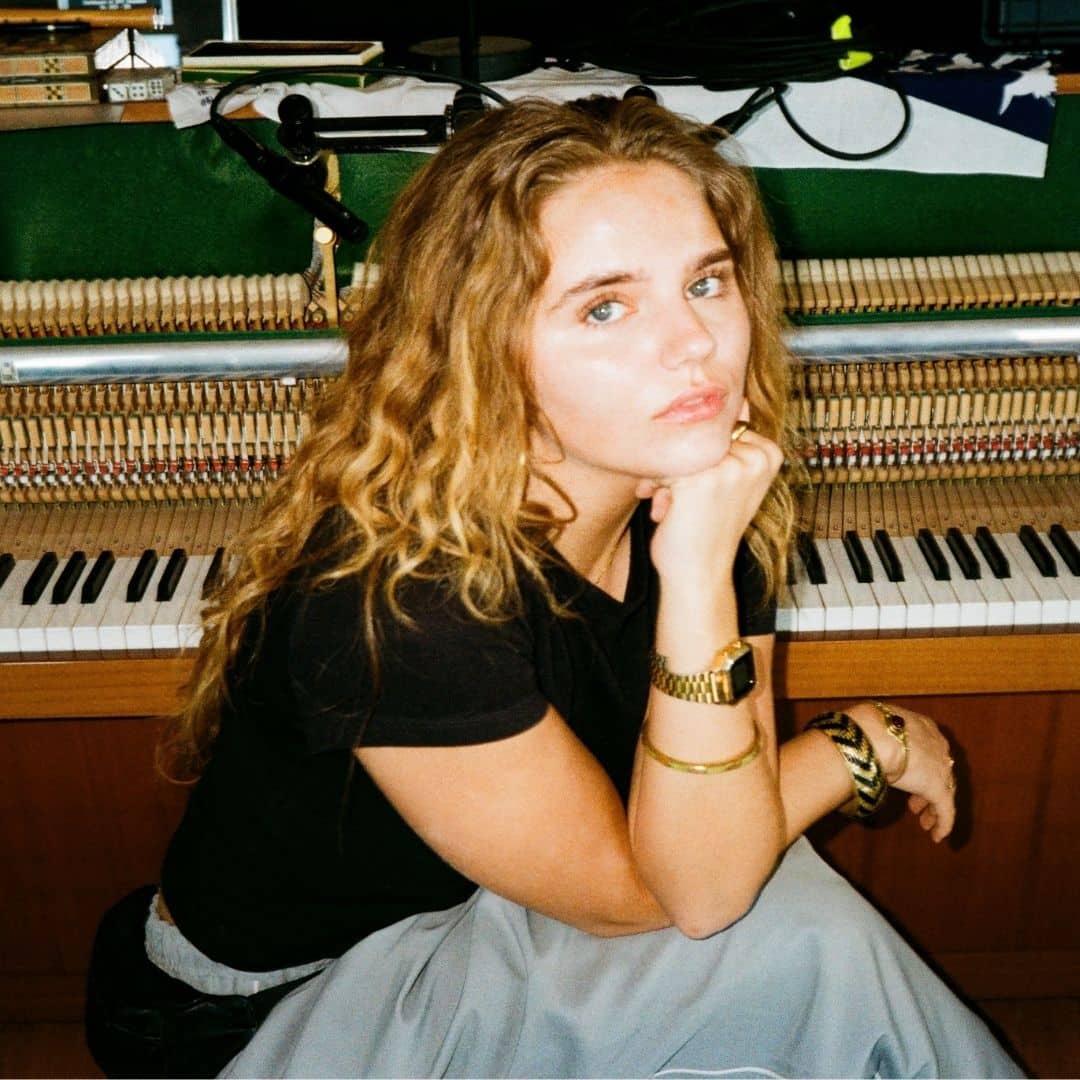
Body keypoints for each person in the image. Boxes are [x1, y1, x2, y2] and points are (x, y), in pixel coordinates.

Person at [85, 94, 1021, 1078]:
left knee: (793, 921)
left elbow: (711, 844)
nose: (694, 342)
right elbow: (677, 895)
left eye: (707, 282)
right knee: (794, 932)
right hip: (284, 1003)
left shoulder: (703, 493)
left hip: (495, 924)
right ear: (482, 347)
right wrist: (865, 740)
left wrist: (700, 568)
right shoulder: (401, 599)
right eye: (605, 307)